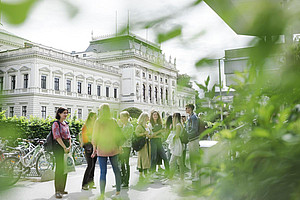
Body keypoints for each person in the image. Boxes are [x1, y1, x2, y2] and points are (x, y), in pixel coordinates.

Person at [92, 104, 122, 199]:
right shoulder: (113, 121)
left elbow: (95, 136)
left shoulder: (98, 121)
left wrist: (94, 149)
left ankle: (102, 193)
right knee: (116, 169)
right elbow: (118, 134)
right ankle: (118, 189)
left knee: (103, 171)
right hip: (113, 147)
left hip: (102, 148)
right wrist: (120, 146)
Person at [52, 107, 71, 199]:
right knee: (59, 169)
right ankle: (57, 190)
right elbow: (57, 137)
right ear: (59, 113)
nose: (66, 114)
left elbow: (69, 135)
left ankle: (62, 188)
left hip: (66, 147)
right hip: (59, 147)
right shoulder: (56, 124)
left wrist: (69, 146)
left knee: (65, 168)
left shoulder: (66, 124)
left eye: (67, 113)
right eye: (64, 113)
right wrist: (64, 147)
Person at [149, 110, 169, 176]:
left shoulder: (160, 124)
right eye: (154, 115)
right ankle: (153, 172)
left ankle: (168, 171)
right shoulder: (150, 124)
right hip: (153, 141)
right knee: (153, 157)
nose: (155, 116)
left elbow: (162, 135)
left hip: (159, 141)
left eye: (156, 115)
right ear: (152, 116)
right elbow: (151, 136)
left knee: (164, 156)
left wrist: (157, 134)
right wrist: (159, 131)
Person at [81, 112, 97, 190]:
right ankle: (84, 184)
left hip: (95, 147)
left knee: (93, 165)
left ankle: (91, 183)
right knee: (90, 165)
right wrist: (92, 140)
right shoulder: (86, 126)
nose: (96, 118)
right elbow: (84, 138)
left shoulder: (96, 126)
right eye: (94, 117)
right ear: (91, 117)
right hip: (89, 147)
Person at [185, 104, 200, 181]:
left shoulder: (194, 118)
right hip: (191, 140)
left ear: (190, 109)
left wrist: (186, 134)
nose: (185, 109)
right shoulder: (190, 117)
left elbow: (194, 129)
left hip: (194, 139)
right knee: (191, 158)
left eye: (186, 108)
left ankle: (196, 176)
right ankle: (193, 174)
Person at [119, 111, 134, 188]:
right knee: (121, 164)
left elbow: (124, 136)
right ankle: (121, 180)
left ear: (125, 117)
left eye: (121, 117)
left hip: (126, 146)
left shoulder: (129, 126)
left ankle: (126, 181)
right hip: (122, 146)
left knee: (125, 163)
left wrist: (120, 145)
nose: (120, 118)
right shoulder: (123, 125)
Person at [135, 112, 151, 181]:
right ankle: (144, 174)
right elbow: (136, 134)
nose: (148, 118)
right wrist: (144, 134)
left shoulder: (146, 125)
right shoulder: (139, 126)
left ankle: (142, 175)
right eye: (147, 117)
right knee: (142, 158)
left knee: (146, 158)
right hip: (142, 144)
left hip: (147, 143)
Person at [167, 113, 183, 180]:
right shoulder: (177, 125)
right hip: (176, 144)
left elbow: (177, 135)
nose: (172, 118)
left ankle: (170, 177)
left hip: (177, 144)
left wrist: (172, 131)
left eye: (174, 117)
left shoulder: (178, 125)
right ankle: (182, 178)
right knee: (180, 162)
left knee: (172, 162)